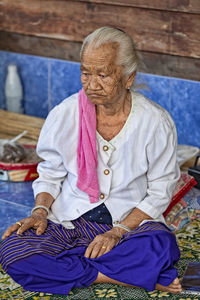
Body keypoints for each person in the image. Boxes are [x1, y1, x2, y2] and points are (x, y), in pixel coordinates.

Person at [0, 27, 182, 295]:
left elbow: (160, 191)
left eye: (103, 75)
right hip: (68, 222)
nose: (92, 84)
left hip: (127, 227)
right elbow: (50, 174)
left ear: (128, 77)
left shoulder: (155, 122)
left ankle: (78, 269)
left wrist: (116, 232)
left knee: (161, 245)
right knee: (14, 249)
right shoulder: (65, 114)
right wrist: (39, 212)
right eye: (86, 72)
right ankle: (118, 276)